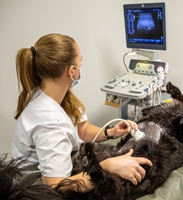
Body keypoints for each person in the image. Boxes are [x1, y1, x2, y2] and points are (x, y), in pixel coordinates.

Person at [12, 33, 152, 192]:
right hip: (37, 189)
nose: (81, 66)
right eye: (80, 61)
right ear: (72, 71)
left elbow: (82, 130)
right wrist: (107, 167)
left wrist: (110, 132)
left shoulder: (54, 94)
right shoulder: (49, 122)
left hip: (59, 172)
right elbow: (56, 187)